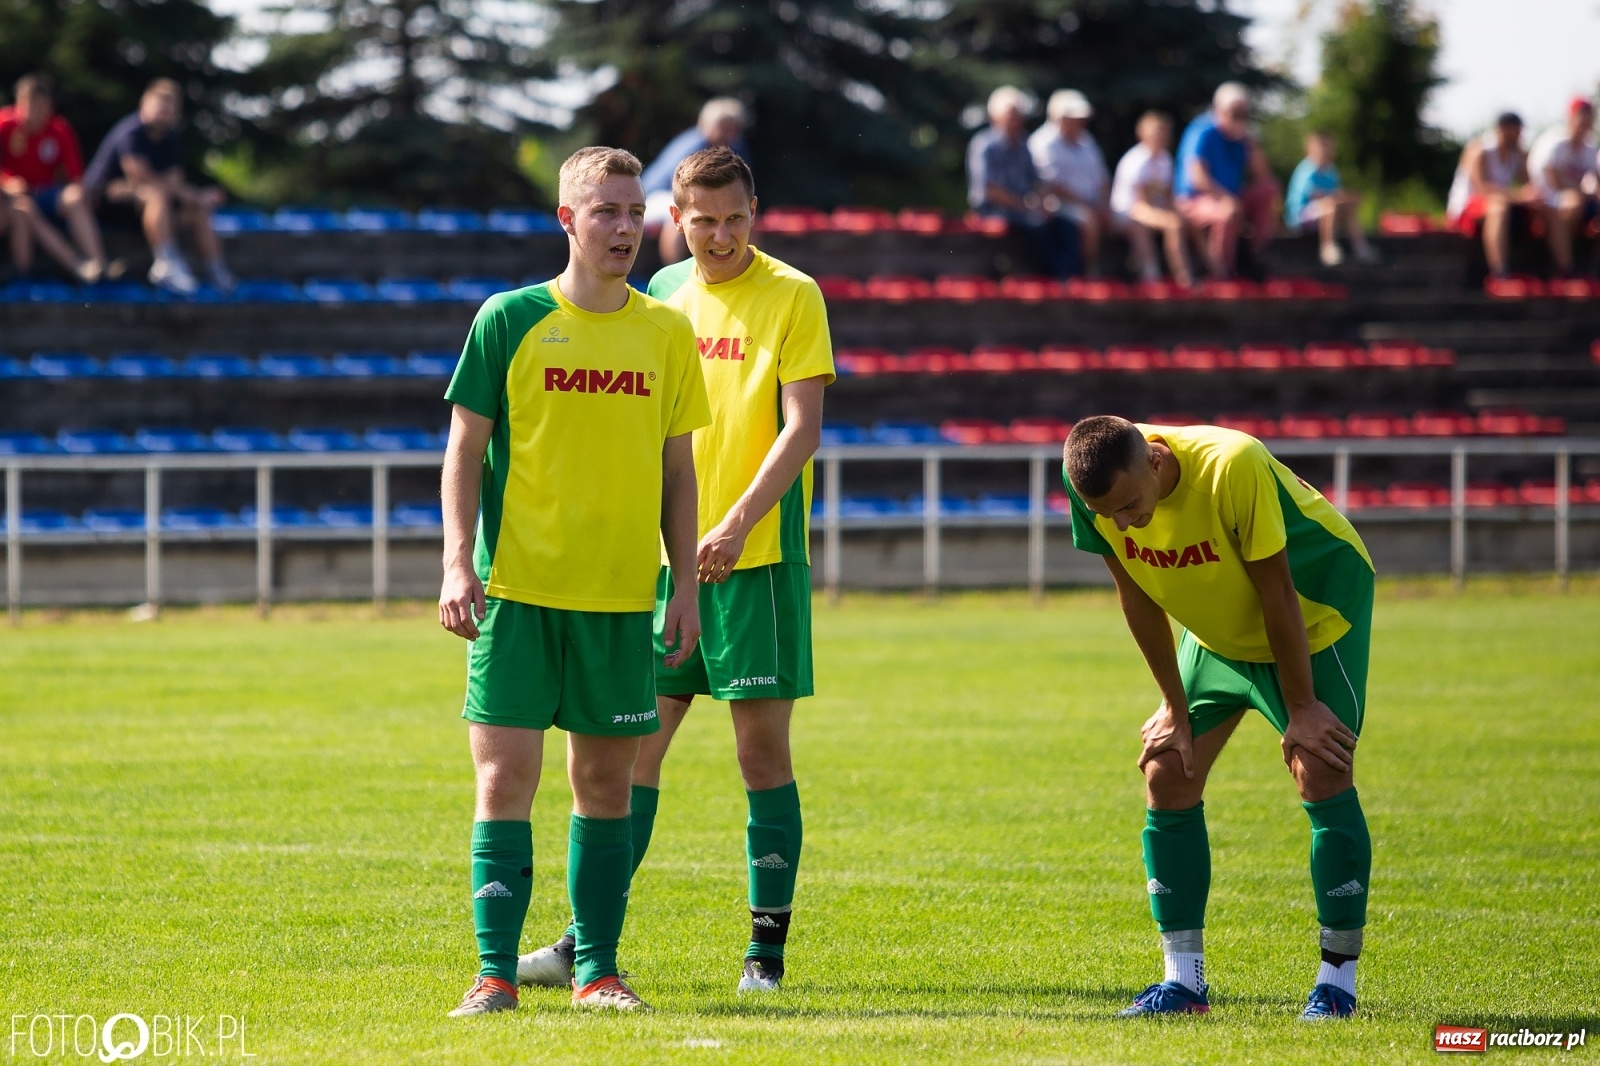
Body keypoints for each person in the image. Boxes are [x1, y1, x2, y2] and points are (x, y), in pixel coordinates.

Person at [519, 145, 834, 995]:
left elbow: (800, 429)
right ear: (676, 221)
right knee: (629, 757)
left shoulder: (794, 294)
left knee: (761, 759)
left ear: (754, 211)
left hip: (758, 562)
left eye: (735, 220)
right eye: (703, 222)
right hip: (660, 571)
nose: (720, 237)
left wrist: (734, 524)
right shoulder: (659, 295)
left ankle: (764, 957)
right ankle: (585, 945)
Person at [437, 145, 712, 1016]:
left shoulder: (667, 332)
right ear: (568, 219)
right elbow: (464, 449)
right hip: (515, 595)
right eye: (607, 212)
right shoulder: (508, 319)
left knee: (605, 787)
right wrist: (455, 560)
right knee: (503, 782)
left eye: (636, 213)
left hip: (621, 600)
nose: (626, 228)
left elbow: (679, 473)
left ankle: (596, 972)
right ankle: (492, 975)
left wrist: (687, 587)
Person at [1062, 416, 1375, 1021]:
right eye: (1111, 515)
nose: (1122, 523)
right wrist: (1174, 708)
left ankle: (1337, 981)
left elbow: (1277, 590)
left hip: (1313, 617)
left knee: (1320, 767)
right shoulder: (1089, 484)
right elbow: (1135, 595)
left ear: (1155, 461)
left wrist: (1303, 708)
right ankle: (1183, 984)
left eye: (1128, 506)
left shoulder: (1234, 464)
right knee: (1167, 770)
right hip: (1219, 631)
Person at [82, 79, 233, 295]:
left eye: (169, 106)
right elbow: (138, 175)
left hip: (146, 212)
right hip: (105, 204)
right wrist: (194, 194)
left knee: (197, 211)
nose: (164, 111)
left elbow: (174, 181)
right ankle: (167, 262)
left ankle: (216, 270)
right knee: (156, 195)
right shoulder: (131, 131)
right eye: (159, 105)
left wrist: (194, 199)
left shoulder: (171, 138)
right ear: (144, 105)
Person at [0, 74, 106, 282]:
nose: (35, 113)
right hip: (15, 196)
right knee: (25, 208)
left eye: (41, 106)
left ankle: (99, 264)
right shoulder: (3, 125)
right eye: (31, 106)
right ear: (19, 103)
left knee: (74, 197)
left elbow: (76, 177)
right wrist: (6, 182)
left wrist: (80, 193)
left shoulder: (59, 129)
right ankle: (76, 265)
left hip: (47, 192)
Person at [968, 86, 1078, 278]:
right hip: (993, 210)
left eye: (1018, 115)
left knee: (1064, 224)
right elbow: (990, 190)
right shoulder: (983, 145)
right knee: (1037, 226)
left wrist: (1044, 201)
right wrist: (1025, 206)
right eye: (1011, 115)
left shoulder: (1023, 145)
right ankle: (1048, 277)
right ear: (996, 117)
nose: (1016, 120)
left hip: (1022, 210)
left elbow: (1036, 181)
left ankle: (1069, 278)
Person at [1174, 83, 1280, 279]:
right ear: (1219, 110)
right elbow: (1197, 178)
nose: (1239, 118)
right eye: (1235, 113)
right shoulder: (1202, 131)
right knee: (1228, 210)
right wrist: (1226, 198)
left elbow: (1264, 176)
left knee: (1269, 189)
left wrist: (1252, 145)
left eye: (1243, 113)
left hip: (1231, 197)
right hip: (1195, 200)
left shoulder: (1242, 139)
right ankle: (1221, 272)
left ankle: (1252, 257)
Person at [641, 97, 749, 264]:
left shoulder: (734, 147)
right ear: (708, 124)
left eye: (734, 127)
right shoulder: (694, 145)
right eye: (724, 126)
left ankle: (751, 266)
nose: (730, 132)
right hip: (654, 196)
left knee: (745, 208)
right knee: (679, 212)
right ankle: (673, 270)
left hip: (687, 196)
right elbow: (678, 185)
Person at [1446, 112, 1541, 280]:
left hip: (1499, 203)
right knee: (1499, 207)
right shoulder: (1478, 149)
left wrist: (1534, 197)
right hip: (1465, 209)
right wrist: (1519, 196)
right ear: (1502, 129)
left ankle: (1553, 270)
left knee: (1543, 206)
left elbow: (1528, 186)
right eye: (1515, 131)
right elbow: (1482, 188)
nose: (1519, 136)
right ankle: (1499, 272)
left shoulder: (1517, 153)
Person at [1029, 89, 1110, 277]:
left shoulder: (1087, 141)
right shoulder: (1042, 142)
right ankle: (1090, 271)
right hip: (1056, 204)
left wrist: (1104, 203)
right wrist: (1089, 204)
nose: (1081, 122)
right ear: (1060, 118)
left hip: (1089, 203)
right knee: (1088, 220)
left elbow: (1102, 178)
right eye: (1074, 117)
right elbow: (1051, 184)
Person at [1110, 111, 1194, 287]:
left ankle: (1212, 273)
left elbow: (1169, 196)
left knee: (1185, 219)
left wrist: (1181, 212)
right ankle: (1164, 277)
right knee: (1165, 224)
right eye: (1156, 133)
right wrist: (1169, 218)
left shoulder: (1165, 159)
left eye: (1163, 133)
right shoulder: (1136, 161)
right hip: (1126, 213)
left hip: (1150, 211)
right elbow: (1139, 206)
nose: (1161, 138)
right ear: (1142, 135)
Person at [1283, 131, 1377, 267]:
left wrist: (1347, 200)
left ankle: (1360, 247)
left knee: (1347, 209)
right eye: (1321, 147)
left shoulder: (1331, 170)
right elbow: (1316, 195)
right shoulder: (1306, 169)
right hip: (1300, 218)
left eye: (1327, 147)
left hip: (1321, 215)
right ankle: (1327, 248)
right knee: (1329, 206)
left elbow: (1337, 194)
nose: (1325, 152)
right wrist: (1341, 199)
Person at [1528, 98, 1598, 276]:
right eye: (1582, 119)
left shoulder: (1590, 148)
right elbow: (1555, 183)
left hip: (1575, 199)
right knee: (1572, 203)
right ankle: (1564, 267)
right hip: (1546, 197)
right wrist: (1584, 194)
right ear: (1571, 118)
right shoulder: (1554, 144)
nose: (1585, 124)